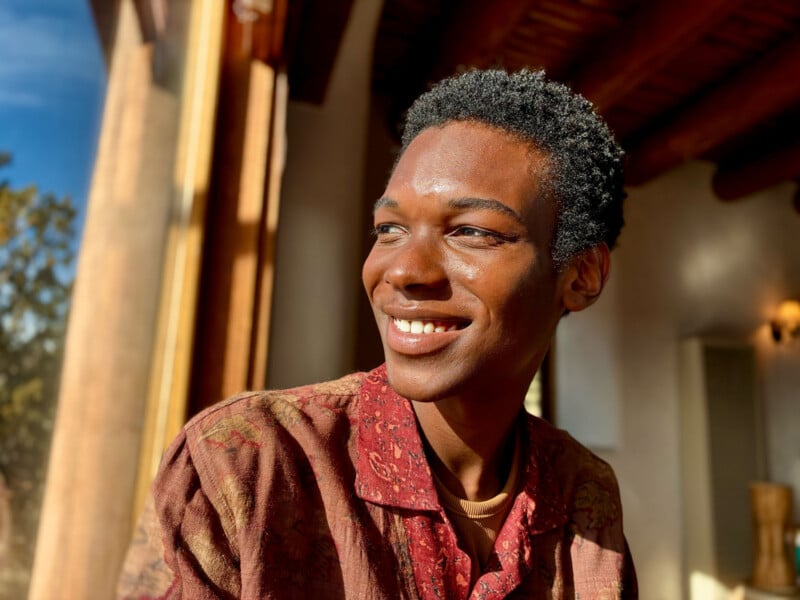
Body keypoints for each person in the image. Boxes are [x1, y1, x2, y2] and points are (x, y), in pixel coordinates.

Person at [118, 69, 636, 599]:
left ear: (581, 276)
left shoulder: (584, 494)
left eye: (472, 232)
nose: (404, 270)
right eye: (390, 229)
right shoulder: (247, 464)